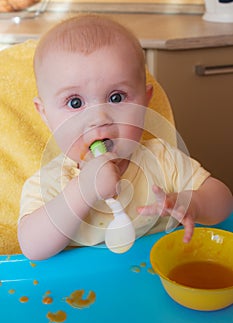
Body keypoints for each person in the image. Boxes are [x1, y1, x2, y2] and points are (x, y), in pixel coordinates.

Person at [18, 14, 233, 260]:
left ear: (145, 101)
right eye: (75, 102)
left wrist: (193, 204)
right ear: (44, 114)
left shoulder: (162, 160)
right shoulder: (49, 182)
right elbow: (32, 248)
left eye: (117, 97)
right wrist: (83, 190)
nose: (99, 117)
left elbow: (224, 202)